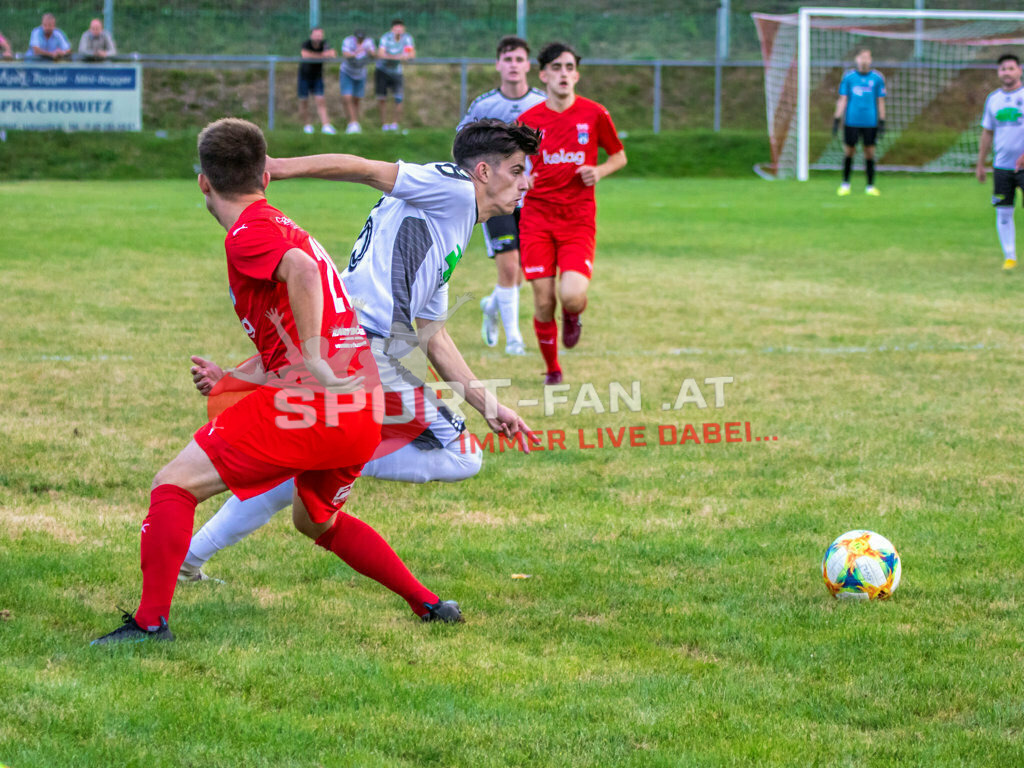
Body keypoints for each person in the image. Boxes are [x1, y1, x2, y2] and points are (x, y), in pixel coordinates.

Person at [92, 118, 464, 645]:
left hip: (313, 408)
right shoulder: (283, 224)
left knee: (173, 485)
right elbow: (286, 339)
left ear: (203, 180)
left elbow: (303, 278)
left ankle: (151, 625)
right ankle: (428, 604)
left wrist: (311, 356)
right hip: (360, 410)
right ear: (264, 178)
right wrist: (233, 376)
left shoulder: (249, 234)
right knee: (316, 521)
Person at [177, 119, 541, 587]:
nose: (526, 182)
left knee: (305, 469)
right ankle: (332, 451)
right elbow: (367, 168)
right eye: (517, 169)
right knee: (461, 455)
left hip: (355, 340)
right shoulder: (453, 187)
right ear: (484, 172)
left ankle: (194, 557)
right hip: (367, 346)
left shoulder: (452, 223)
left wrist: (490, 405)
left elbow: (435, 337)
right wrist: (279, 168)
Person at [517, 42, 626, 385]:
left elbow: (619, 156)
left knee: (572, 296)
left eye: (569, 68)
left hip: (578, 219)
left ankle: (573, 314)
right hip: (536, 218)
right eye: (556, 68)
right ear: (543, 75)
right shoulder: (528, 121)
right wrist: (523, 176)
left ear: (576, 75)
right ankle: (552, 370)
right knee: (543, 298)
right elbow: (512, 164)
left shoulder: (594, 113)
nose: (563, 74)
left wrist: (600, 171)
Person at [458, 35, 546, 357]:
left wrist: (539, 175)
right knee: (508, 268)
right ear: (498, 64)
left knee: (522, 270)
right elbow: (463, 145)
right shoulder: (483, 105)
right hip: (496, 199)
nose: (513, 65)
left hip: (533, 198)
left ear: (528, 66)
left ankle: (491, 305)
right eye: (507, 59)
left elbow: (554, 150)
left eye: (519, 59)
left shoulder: (542, 102)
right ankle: (514, 340)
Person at [977, 53, 1024, 271]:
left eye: (1011, 68)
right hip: (1002, 167)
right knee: (1003, 212)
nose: (1007, 72)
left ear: (1019, 71)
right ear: (998, 73)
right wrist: (980, 163)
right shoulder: (993, 99)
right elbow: (987, 133)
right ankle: (1010, 256)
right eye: (1003, 69)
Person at [833, 47, 886, 196]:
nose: (864, 61)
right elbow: (843, 99)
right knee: (849, 151)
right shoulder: (849, 77)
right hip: (852, 121)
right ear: (857, 59)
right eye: (862, 57)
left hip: (870, 121)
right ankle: (845, 184)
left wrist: (882, 120)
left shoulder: (877, 78)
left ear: (871, 60)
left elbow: (880, 101)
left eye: (867, 58)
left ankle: (870, 186)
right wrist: (837, 118)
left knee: (869, 153)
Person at [375, 19, 415, 131]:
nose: (398, 31)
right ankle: (384, 124)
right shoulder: (385, 37)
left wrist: (404, 56)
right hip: (382, 70)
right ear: (392, 29)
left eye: (400, 28)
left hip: (397, 71)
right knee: (382, 97)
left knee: (398, 98)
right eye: (396, 29)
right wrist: (399, 57)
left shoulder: (407, 38)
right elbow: (381, 54)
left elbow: (411, 54)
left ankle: (395, 124)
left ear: (403, 29)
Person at [298, 28, 337, 135]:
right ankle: (307, 125)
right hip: (304, 76)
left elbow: (332, 54)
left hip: (317, 77)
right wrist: (322, 55)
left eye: (320, 35)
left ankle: (326, 125)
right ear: (311, 36)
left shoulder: (325, 44)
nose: (318, 37)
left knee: (320, 100)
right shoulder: (306, 43)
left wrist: (317, 55)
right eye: (316, 35)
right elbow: (305, 55)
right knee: (304, 101)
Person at [340, 29, 376, 134]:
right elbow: (346, 54)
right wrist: (358, 51)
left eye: (362, 39)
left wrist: (370, 52)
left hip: (360, 74)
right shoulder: (348, 41)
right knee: (347, 97)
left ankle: (354, 123)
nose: (360, 41)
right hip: (347, 72)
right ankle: (352, 122)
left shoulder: (369, 42)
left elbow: (374, 55)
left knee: (356, 99)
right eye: (358, 38)